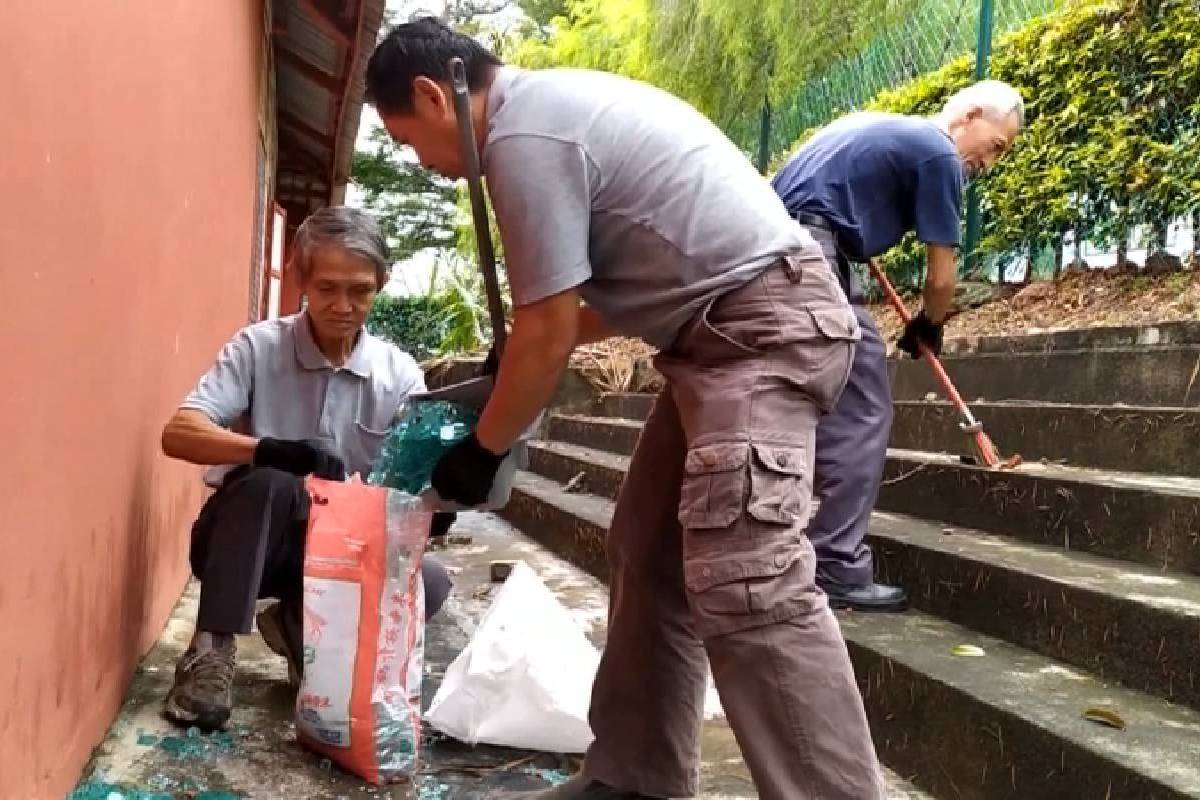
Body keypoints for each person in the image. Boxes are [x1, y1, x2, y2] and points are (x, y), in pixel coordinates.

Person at [365, 18, 884, 800]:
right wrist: (509, 373)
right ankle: (636, 778)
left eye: (409, 144)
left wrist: (477, 455)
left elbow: (546, 331)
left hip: (761, 331)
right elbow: (579, 312)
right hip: (716, 335)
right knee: (649, 549)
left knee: (749, 577)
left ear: (434, 95)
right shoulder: (544, 115)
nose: (423, 165)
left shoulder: (522, 138)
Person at [159, 206, 454, 731]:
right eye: (327, 288)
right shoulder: (258, 347)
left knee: (428, 581)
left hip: (340, 552)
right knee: (270, 483)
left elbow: (412, 488)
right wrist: (269, 449)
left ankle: (302, 626)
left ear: (381, 284)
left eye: (360, 290)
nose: (343, 306)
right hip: (246, 540)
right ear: (300, 281)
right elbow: (178, 433)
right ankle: (209, 652)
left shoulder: (398, 375)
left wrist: (435, 501)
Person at [771, 81, 1025, 612]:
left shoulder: (876, 125)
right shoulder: (938, 153)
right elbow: (940, 279)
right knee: (864, 405)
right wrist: (929, 324)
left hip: (777, 243)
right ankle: (836, 563)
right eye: (996, 145)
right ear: (970, 115)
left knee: (812, 393)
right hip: (811, 253)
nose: (990, 163)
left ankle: (782, 540)